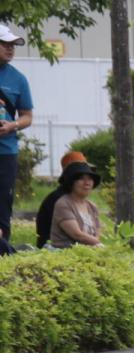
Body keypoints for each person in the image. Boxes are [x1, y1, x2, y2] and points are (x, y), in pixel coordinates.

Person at [0, 24, 33, 245]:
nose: (10, 49)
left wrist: (12, 126)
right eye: (5, 44)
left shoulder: (19, 79)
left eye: (13, 45)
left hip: (6, 152)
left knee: (3, 201)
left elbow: (27, 116)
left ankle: (4, 249)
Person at [35, 150, 88, 248]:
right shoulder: (60, 200)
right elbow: (76, 234)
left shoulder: (80, 200)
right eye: (81, 177)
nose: (87, 182)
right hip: (53, 248)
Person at [46, 161, 103, 249]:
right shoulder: (63, 204)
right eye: (81, 179)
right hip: (65, 253)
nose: (87, 183)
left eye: (90, 179)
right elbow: (77, 234)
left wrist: (96, 245)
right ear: (71, 183)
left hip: (89, 251)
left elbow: (98, 230)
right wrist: (98, 244)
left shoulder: (92, 206)